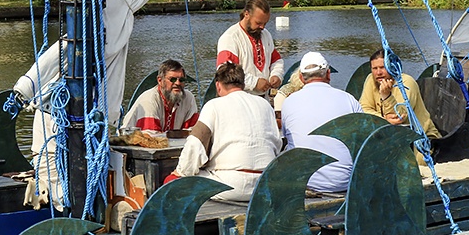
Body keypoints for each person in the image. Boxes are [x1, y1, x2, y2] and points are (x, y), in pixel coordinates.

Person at [168, 62, 281, 202]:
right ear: (243, 84)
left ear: (218, 85)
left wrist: (179, 173)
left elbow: (194, 146)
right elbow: (277, 144)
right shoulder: (265, 105)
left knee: (174, 182)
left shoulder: (214, 105)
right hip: (265, 184)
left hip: (230, 186)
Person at [281, 52, 363, 193]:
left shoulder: (288, 102)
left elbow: (287, 138)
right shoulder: (349, 100)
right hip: (343, 183)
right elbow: (362, 142)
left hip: (303, 182)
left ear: (301, 77)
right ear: (328, 74)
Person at [359, 49, 440, 139]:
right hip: (387, 134)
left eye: (382, 67)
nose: (378, 73)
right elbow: (363, 109)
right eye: (375, 68)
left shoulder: (406, 82)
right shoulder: (371, 79)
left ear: (392, 67)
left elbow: (400, 117)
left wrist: (386, 96)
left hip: (419, 137)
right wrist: (384, 119)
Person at [216, 0, 284, 97]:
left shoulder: (266, 35)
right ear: (246, 14)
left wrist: (276, 75)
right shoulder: (230, 38)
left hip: (263, 99)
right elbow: (225, 72)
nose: (262, 27)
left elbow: (276, 60)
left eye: (265, 23)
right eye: (258, 23)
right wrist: (254, 83)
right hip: (238, 100)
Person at [122, 59, 199, 132]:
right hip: (136, 143)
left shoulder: (188, 98)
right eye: (172, 79)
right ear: (160, 80)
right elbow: (151, 138)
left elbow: (192, 131)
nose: (178, 83)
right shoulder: (149, 100)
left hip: (172, 143)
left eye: (181, 80)